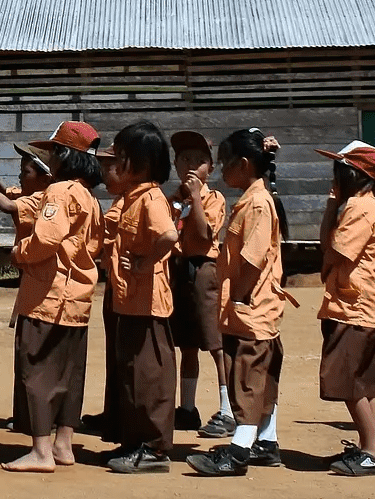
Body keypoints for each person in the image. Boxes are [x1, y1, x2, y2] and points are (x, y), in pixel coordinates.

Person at [0, 121, 103, 473]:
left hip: (49, 296)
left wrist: (20, 251)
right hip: (78, 296)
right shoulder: (89, 197)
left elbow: (47, 240)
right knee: (69, 374)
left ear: (64, 156)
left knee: (37, 372)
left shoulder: (60, 192)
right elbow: (93, 245)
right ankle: (63, 444)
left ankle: (41, 451)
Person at [186, 128, 290, 477]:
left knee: (246, 378)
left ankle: (239, 450)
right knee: (261, 378)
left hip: (251, 308)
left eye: (226, 163)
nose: (220, 170)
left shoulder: (257, 203)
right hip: (258, 307)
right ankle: (266, 441)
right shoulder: (251, 198)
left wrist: (241, 299)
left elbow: (251, 260)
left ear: (244, 165)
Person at [96, 121, 180, 474]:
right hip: (129, 302)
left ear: (140, 163)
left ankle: (154, 449)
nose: (115, 163)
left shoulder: (150, 198)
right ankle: (133, 441)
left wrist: (146, 261)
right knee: (131, 373)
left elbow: (168, 235)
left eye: (121, 156)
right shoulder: (130, 199)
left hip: (148, 304)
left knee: (149, 375)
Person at [315, 140, 375, 477]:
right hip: (357, 305)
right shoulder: (358, 206)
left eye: (340, 169)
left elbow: (333, 251)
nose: (334, 176)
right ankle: (368, 444)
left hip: (352, 307)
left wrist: (332, 207)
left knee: (348, 383)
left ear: (357, 174)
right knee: (361, 383)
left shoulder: (360, 209)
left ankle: (372, 450)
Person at [167, 130, 230, 436]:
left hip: (204, 269)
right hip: (178, 270)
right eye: (185, 159)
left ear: (211, 169)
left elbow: (206, 235)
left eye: (200, 160)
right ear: (175, 164)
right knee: (187, 344)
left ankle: (228, 409)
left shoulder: (214, 198)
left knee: (215, 343)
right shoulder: (172, 200)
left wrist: (194, 197)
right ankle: (187, 409)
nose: (191, 165)